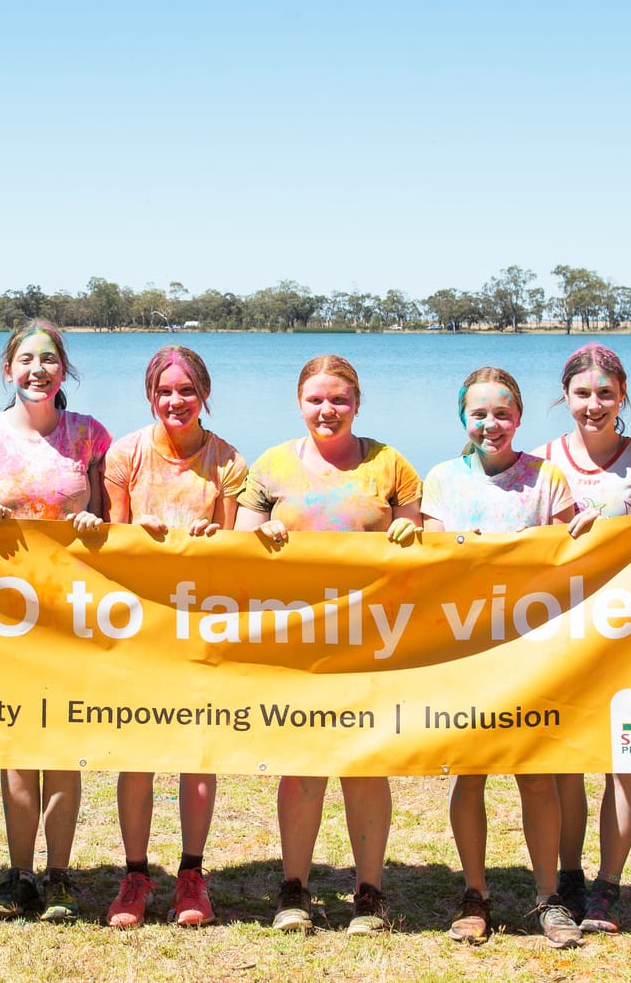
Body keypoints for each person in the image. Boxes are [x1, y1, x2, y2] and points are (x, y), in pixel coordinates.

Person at [233, 354, 422, 936]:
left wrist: (410, 532)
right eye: (316, 399)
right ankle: (295, 889)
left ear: (357, 404)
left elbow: (423, 548)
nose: (327, 409)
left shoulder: (390, 465)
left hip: (371, 641)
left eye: (339, 399)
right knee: (302, 764)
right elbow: (236, 552)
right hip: (297, 641)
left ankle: (370, 892)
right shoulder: (269, 467)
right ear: (299, 403)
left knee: (365, 764)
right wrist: (258, 532)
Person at [0, 322, 111, 923]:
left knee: (64, 743)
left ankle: (60, 876)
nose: (37, 369)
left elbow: (110, 523)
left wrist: (95, 526)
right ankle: (18, 876)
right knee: (18, 746)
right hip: (4, 618)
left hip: (72, 613)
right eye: (26, 359)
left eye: (48, 359)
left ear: (63, 370)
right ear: (7, 370)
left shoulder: (90, 436)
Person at [420, 367, 581, 949]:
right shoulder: (441, 479)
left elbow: (572, 560)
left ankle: (548, 898)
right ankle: (475, 894)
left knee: (538, 778)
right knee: (470, 775)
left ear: (519, 417)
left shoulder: (548, 479)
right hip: (465, 651)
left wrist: (587, 532)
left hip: (532, 651)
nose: (492, 423)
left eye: (503, 412)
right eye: (479, 413)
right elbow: (435, 563)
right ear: (462, 418)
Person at [99, 346, 246, 929]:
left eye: (187, 390)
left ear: (203, 393)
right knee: (136, 754)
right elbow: (112, 542)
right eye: (165, 391)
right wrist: (136, 532)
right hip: (138, 625)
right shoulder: (125, 454)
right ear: (150, 395)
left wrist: (217, 535)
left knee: (195, 753)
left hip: (201, 626)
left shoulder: (228, 460)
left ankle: (192, 875)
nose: (175, 401)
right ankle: (135, 875)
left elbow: (236, 555)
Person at [536, 343, 631, 934]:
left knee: (623, 759)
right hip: (560, 626)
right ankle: (568, 876)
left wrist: (608, 528)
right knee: (566, 757)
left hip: (625, 627)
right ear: (565, 396)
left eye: (606, 394)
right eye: (582, 394)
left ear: (623, 398)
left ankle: (608, 886)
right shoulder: (541, 460)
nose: (594, 405)